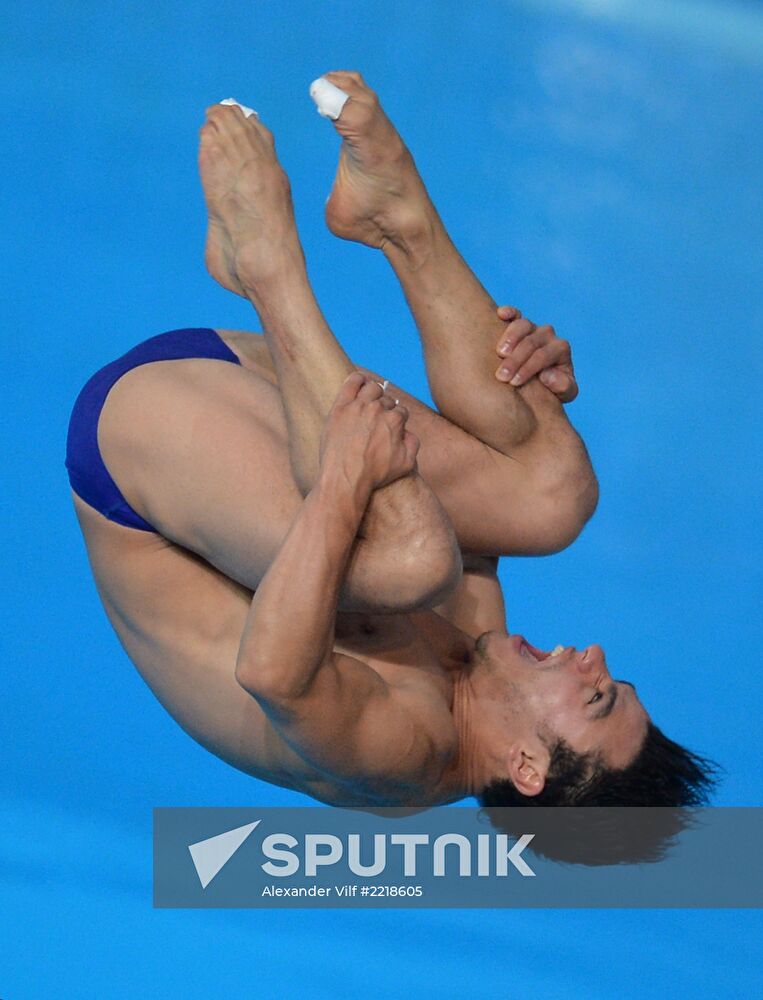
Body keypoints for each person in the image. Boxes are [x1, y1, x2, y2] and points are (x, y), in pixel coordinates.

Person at [66, 71, 715, 811]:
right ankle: (393, 215)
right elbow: (488, 488)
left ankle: (267, 264)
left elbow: (274, 673)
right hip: (247, 371)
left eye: (594, 699)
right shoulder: (479, 666)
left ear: (528, 766)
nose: (593, 658)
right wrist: (537, 388)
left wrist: (343, 479)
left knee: (412, 563)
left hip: (140, 446)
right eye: (613, 682)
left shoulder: (401, 759)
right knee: (553, 497)